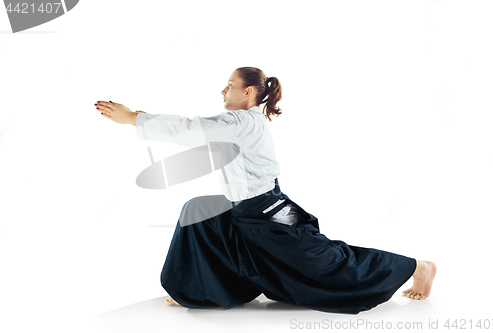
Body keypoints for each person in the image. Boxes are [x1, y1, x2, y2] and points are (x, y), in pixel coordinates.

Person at [94, 67, 437, 314]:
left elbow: (192, 129)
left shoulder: (241, 121)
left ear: (248, 93)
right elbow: (199, 133)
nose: (224, 91)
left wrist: (135, 119)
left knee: (323, 262)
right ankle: (194, 289)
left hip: (266, 211)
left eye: (230, 85)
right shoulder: (240, 123)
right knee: (197, 212)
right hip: (250, 209)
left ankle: (416, 267)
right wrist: (141, 117)